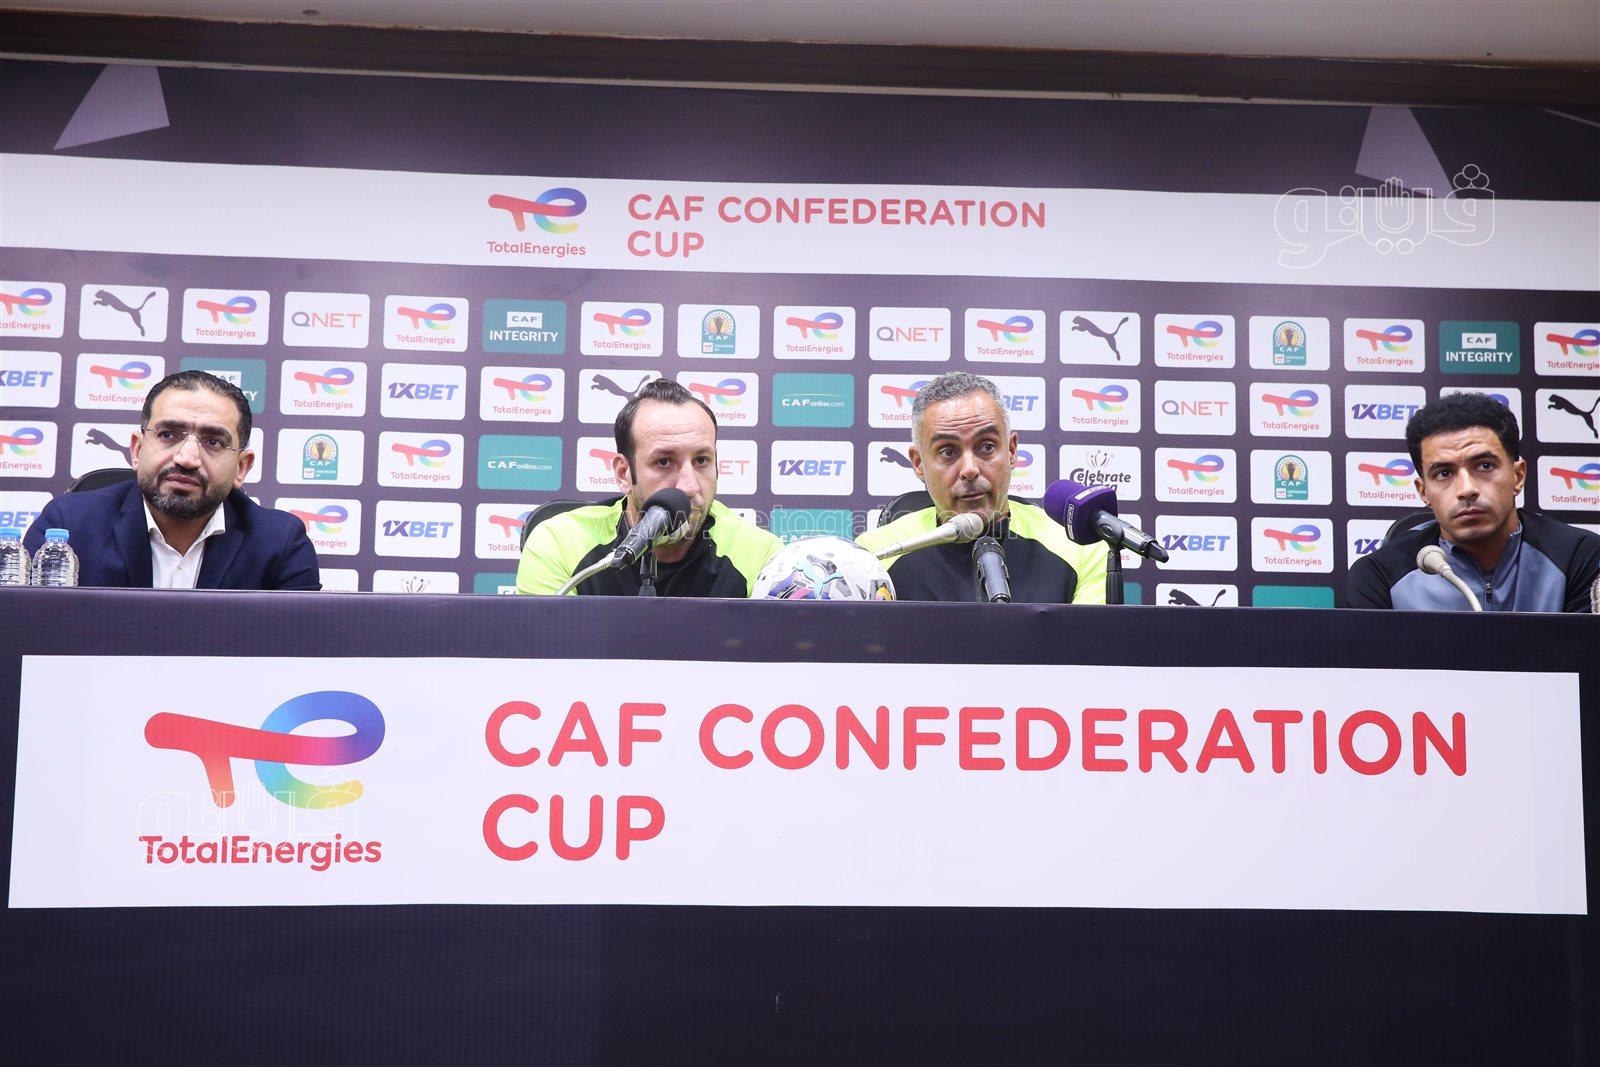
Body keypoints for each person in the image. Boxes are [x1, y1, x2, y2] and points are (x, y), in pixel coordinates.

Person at [24, 370, 320, 589]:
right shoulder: (68, 526)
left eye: (213, 442)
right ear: (137, 450)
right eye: (168, 435)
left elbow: (298, 649)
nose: (186, 458)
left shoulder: (280, 544)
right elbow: (24, 633)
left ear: (241, 467)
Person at [856, 372, 1108, 603]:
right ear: (919, 463)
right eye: (948, 452)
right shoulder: (874, 554)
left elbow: (1087, 639)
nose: (970, 469)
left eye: (987, 447)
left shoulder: (1078, 547)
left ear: (1011, 451)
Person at [516, 378, 780, 596]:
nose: (689, 486)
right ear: (624, 473)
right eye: (664, 462)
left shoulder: (761, 555)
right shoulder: (560, 544)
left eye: (702, 460)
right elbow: (550, 642)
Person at [1348, 391, 1599, 611]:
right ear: (1424, 492)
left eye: (1484, 466)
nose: (1466, 489)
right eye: (1444, 473)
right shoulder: (1379, 577)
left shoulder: (1579, 557)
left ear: (1518, 476)